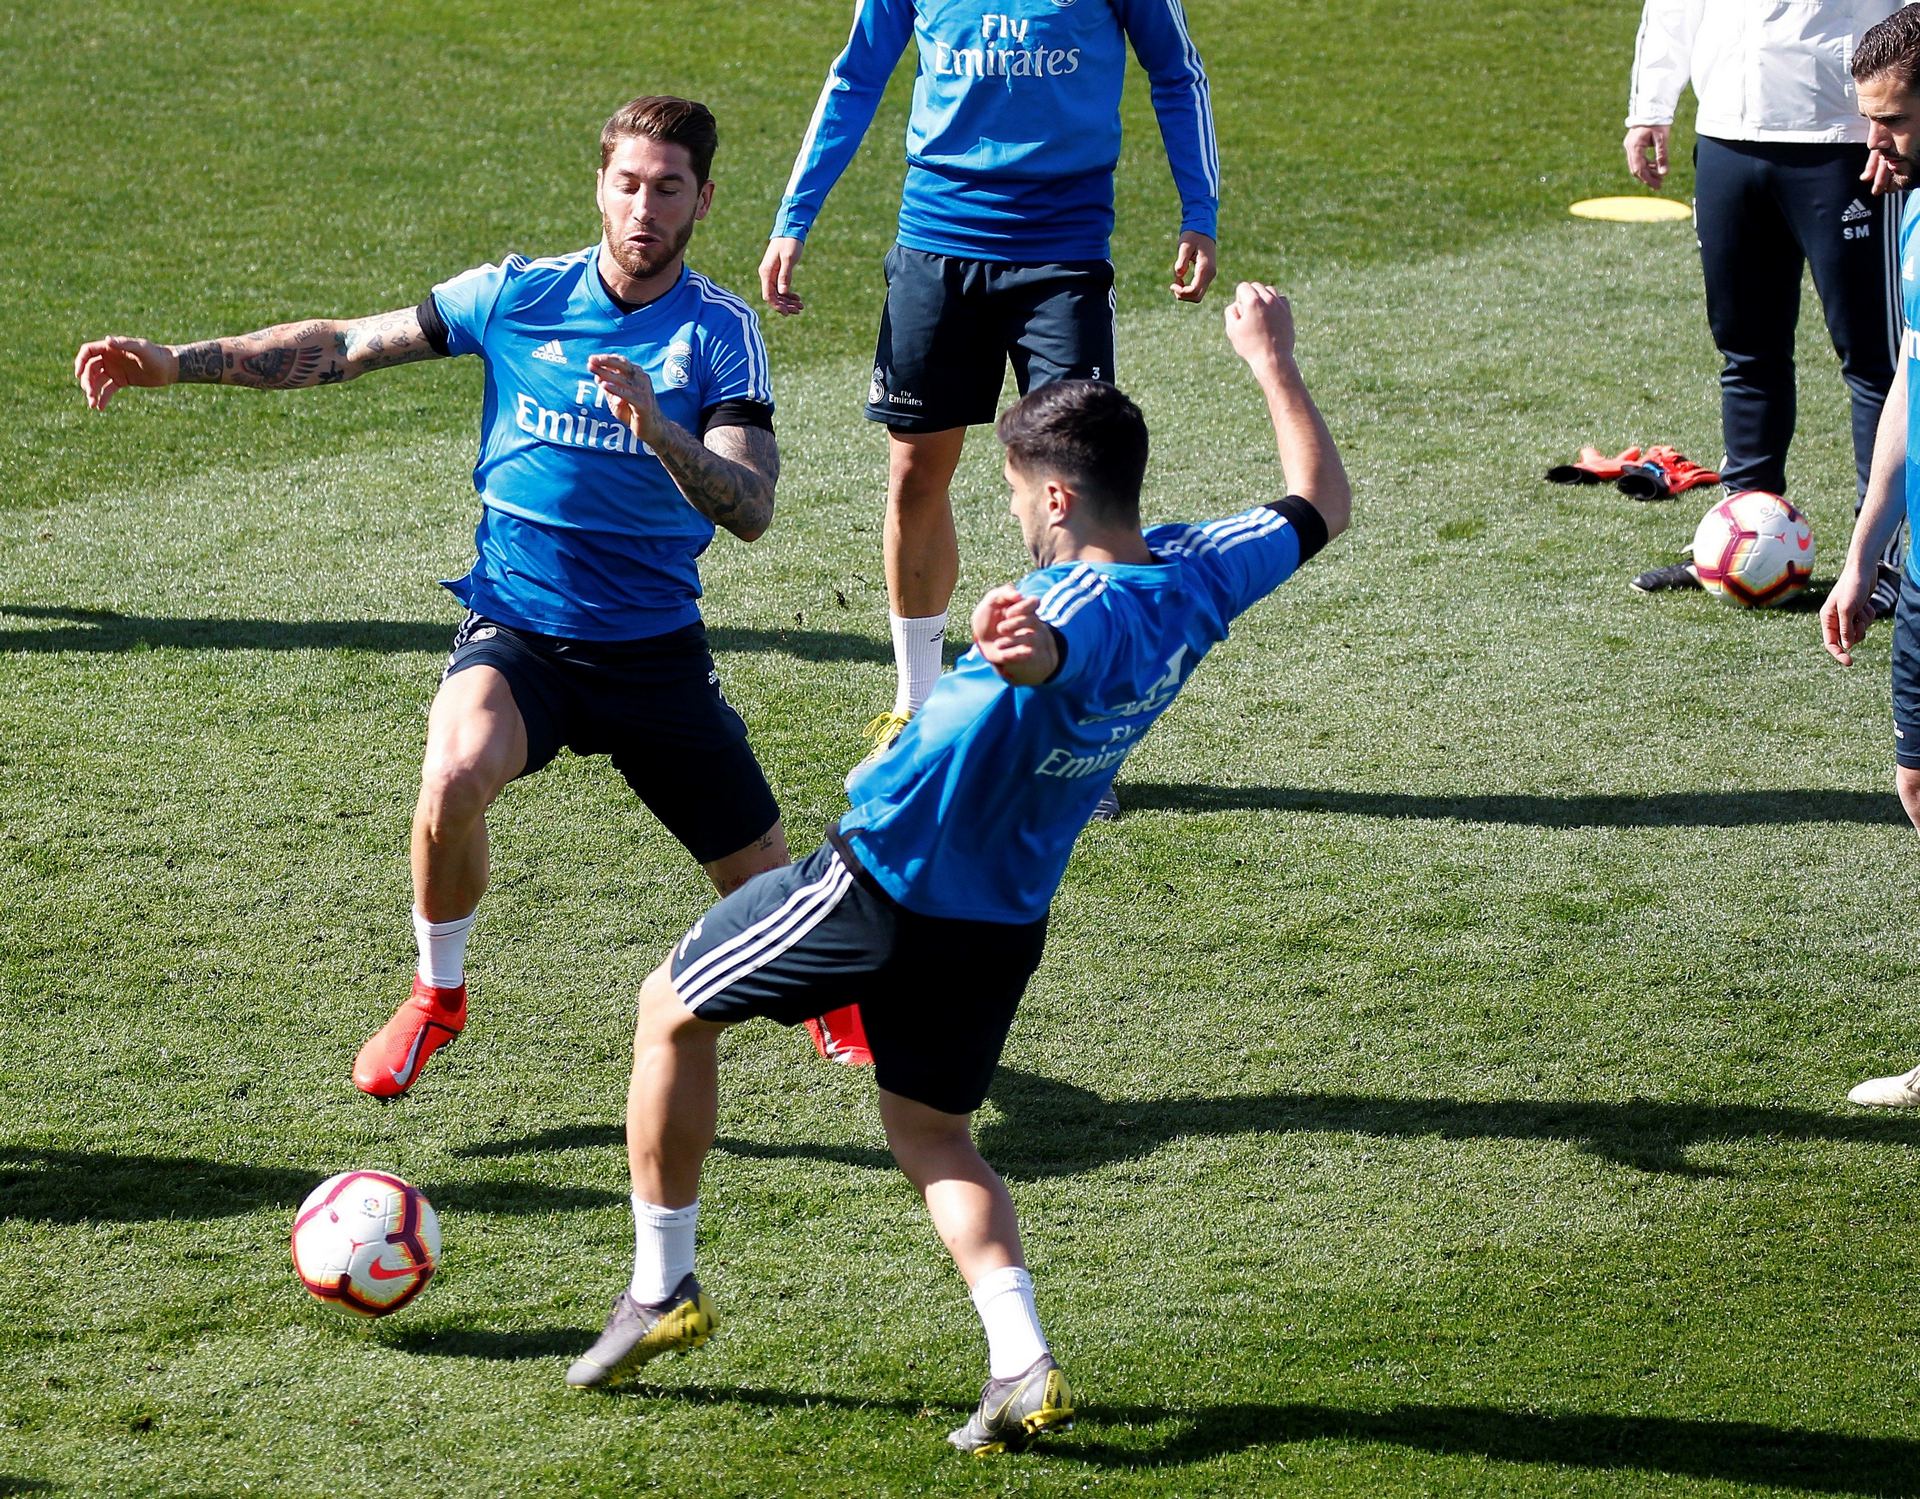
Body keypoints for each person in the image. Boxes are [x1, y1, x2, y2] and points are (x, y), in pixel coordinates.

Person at [563, 282, 1350, 1456]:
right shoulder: (1197, 572)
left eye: (1014, 494)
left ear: (1056, 493)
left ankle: (663, 1287)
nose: (1017, 517)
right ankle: (1021, 1362)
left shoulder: (1067, 599)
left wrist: (1018, 642)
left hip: (883, 887)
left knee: (669, 1011)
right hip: (1006, 916)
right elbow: (1319, 503)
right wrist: (1271, 358)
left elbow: (1059, 650)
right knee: (932, 1131)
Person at [73, 97, 795, 1101]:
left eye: (668, 188)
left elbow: (751, 506)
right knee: (453, 773)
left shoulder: (719, 334)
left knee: (768, 896)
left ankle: (839, 1003)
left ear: (703, 200)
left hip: (652, 648)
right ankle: (436, 993)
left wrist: (658, 427)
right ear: (599, 186)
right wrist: (179, 364)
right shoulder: (515, 296)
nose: (643, 208)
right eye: (627, 183)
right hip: (522, 631)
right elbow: (346, 344)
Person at [758, 0, 1221, 815]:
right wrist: (796, 218)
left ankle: (1065, 728)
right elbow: (857, 74)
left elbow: (1177, 70)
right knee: (914, 475)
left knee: (1073, 485)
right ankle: (916, 707)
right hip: (936, 246)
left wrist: (1200, 210)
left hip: (1065, 253)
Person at [1622, 0, 1908, 601]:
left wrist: (1893, 130)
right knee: (1746, 350)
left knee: (1876, 362)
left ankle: (1880, 562)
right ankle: (1737, 534)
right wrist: (1651, 105)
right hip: (1726, 136)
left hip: (1843, 139)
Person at [1823, 5, 1920, 1105]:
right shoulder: (1910, 213)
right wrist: (1863, 555)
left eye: (1891, 127)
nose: (1870, 153)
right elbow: (1909, 382)